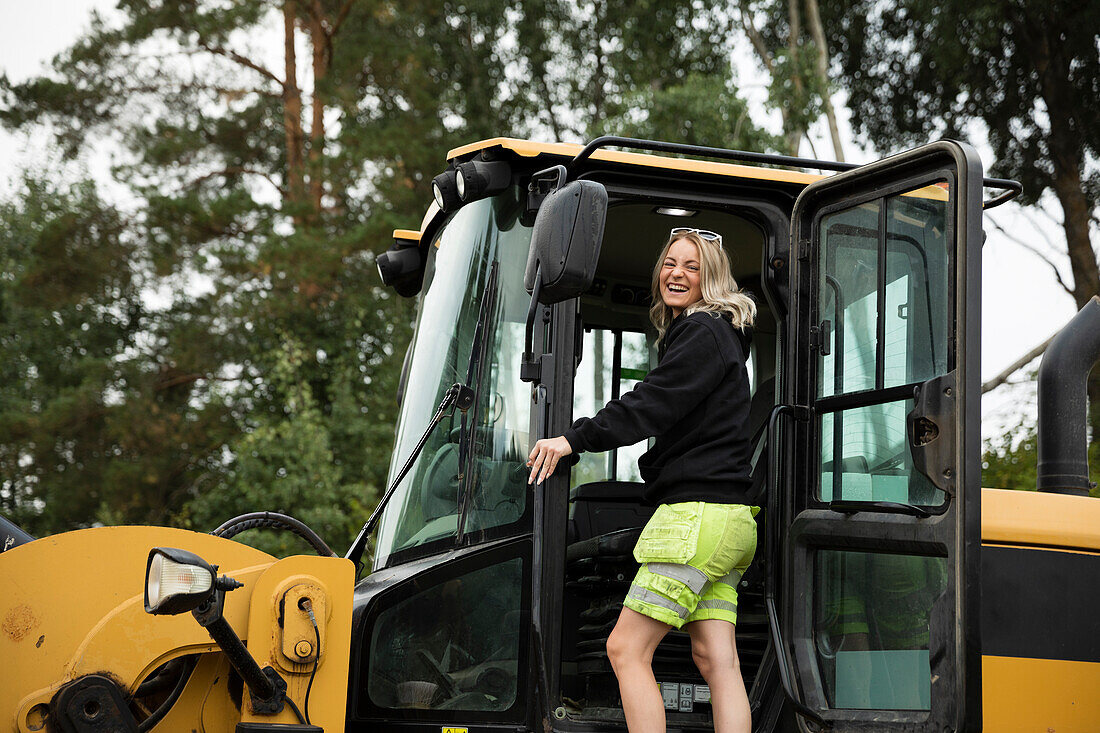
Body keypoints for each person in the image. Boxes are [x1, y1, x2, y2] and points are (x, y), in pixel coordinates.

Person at [527, 227, 759, 733]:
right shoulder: (721, 337)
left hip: (695, 520)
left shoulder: (703, 332)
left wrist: (574, 440)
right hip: (731, 522)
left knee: (625, 648)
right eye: (670, 264)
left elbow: (651, 403)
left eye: (692, 267)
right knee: (716, 660)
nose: (676, 273)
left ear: (712, 279)